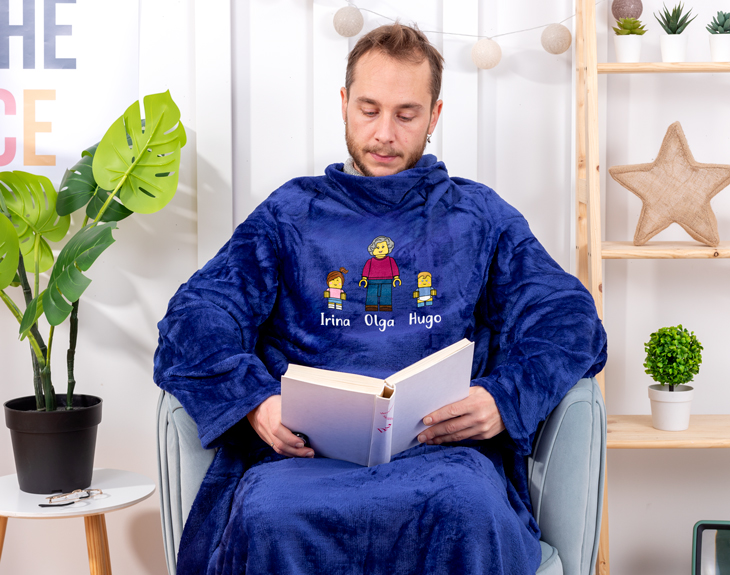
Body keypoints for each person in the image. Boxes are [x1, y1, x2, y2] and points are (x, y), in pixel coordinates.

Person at [154, 23, 607, 575]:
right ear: (344, 104)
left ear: (435, 116)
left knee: (468, 507)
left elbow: (567, 316)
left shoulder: (478, 215)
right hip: (300, 463)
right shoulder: (289, 213)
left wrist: (504, 399)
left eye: (406, 115)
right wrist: (255, 402)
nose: (384, 134)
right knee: (266, 515)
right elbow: (196, 315)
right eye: (368, 110)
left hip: (447, 462)